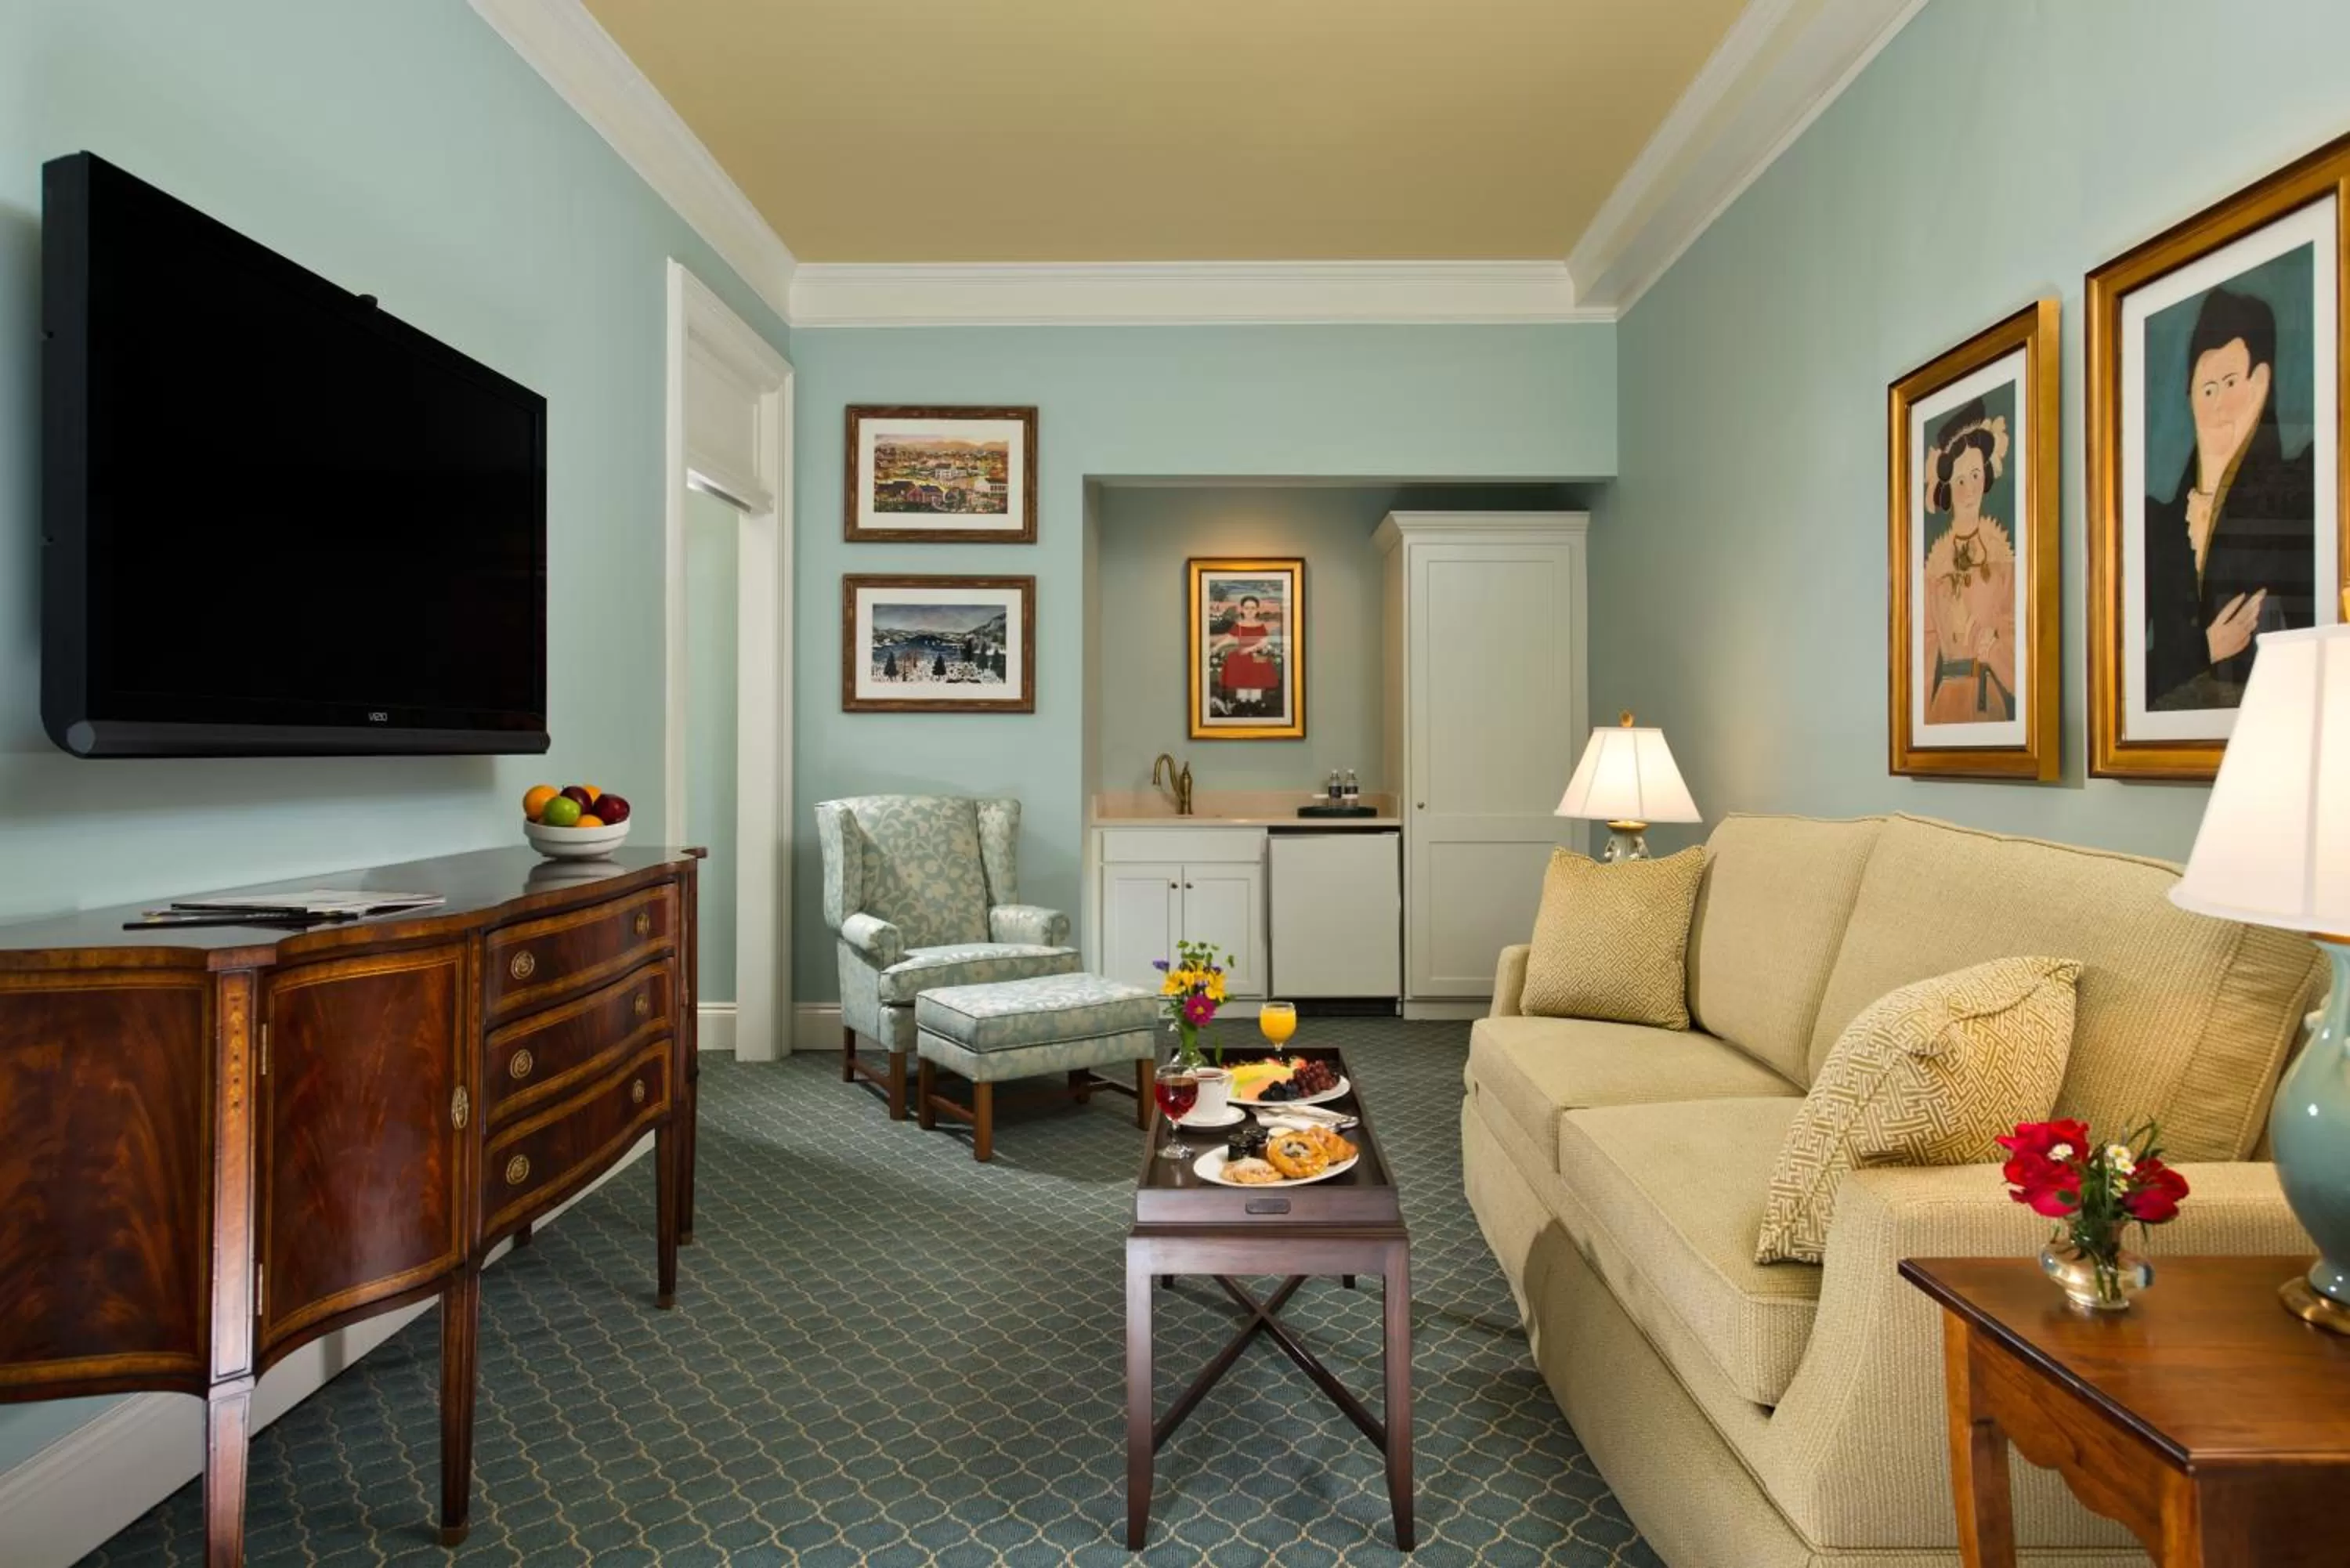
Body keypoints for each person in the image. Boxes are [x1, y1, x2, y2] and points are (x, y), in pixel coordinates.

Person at [2143, 285, 2316, 710]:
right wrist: (2203, 650)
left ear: (2261, 382)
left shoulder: (2297, 495)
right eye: (2206, 389)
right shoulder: (2159, 521)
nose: (2218, 405)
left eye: (2231, 382)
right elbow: (2125, 680)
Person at [1920, 399, 2017, 723]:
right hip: (1944, 707)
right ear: (1947, 486)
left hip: (1987, 704)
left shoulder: (2002, 559)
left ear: (1986, 477)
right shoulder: (1934, 567)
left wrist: (1987, 646)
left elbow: (2021, 668)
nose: (1969, 489)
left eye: (1975, 475)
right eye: (1960, 479)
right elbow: (1923, 651)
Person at [1213, 594, 1277, 715]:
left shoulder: (1260, 625)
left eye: (1253, 608)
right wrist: (1217, 647)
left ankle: (1254, 705)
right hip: (1241, 657)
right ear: (1242, 609)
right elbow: (1230, 639)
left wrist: (1250, 649)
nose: (1250, 611)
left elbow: (1264, 642)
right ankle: (1242, 704)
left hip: (1256, 656)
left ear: (1257, 610)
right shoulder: (1239, 625)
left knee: (1256, 679)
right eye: (1247, 608)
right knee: (1240, 675)